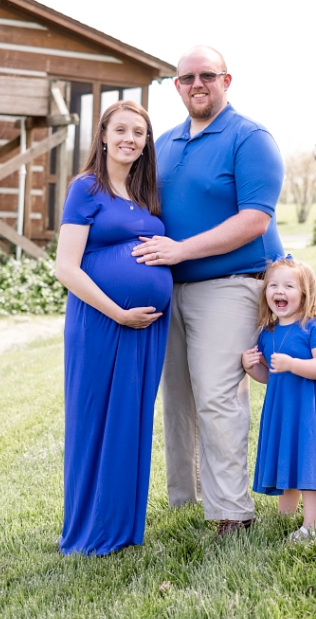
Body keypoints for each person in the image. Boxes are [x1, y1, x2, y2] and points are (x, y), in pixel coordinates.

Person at [131, 46, 284, 537]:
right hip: (169, 290)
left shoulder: (250, 138)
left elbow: (254, 219)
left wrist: (180, 250)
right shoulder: (166, 142)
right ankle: (185, 501)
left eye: (207, 76)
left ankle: (231, 513)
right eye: (186, 78)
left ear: (226, 80)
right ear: (175, 86)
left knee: (218, 398)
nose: (196, 84)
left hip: (231, 285)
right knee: (176, 398)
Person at [55, 101, 172, 555]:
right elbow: (66, 268)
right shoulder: (86, 188)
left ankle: (122, 530)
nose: (130, 138)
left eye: (139, 133)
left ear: (146, 144)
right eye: (120, 129)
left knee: (131, 421)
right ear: (102, 135)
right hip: (101, 322)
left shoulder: (145, 196)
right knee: (93, 421)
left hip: (145, 330)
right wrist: (117, 312)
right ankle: (88, 533)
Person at [241, 256, 316, 540]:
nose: (279, 291)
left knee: (309, 461)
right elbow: (269, 375)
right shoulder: (268, 332)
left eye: (289, 286)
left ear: (305, 294)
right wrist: (253, 368)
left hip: (310, 408)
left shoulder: (315, 326)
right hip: (282, 410)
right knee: (288, 457)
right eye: (273, 285)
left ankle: (313, 526)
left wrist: (293, 364)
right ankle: (283, 517)